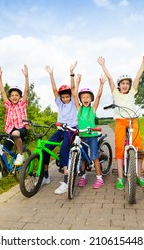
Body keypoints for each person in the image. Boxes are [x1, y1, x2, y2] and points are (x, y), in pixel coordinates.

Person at [98, 54, 144, 190]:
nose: (125, 85)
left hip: (133, 121)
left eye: (127, 83)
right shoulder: (115, 93)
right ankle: (120, 177)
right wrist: (103, 65)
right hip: (120, 122)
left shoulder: (132, 92)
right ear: (119, 86)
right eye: (122, 83)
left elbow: (137, 77)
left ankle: (139, 175)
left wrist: (143, 64)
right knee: (119, 147)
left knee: (139, 148)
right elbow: (109, 78)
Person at [43, 62, 79, 194]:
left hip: (71, 130)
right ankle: (45, 176)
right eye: (63, 97)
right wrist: (51, 75)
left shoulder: (74, 103)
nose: (65, 99)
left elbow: (73, 88)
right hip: (60, 129)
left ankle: (66, 180)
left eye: (67, 96)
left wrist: (71, 73)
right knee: (46, 149)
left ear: (70, 96)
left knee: (64, 149)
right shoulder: (60, 104)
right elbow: (54, 90)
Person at [73, 73, 107, 189]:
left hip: (92, 136)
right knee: (83, 158)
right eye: (83, 97)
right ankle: (83, 177)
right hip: (82, 137)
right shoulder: (79, 109)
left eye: (88, 97)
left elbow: (98, 97)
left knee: (94, 157)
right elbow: (74, 95)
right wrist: (77, 83)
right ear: (81, 99)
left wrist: (101, 84)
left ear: (91, 99)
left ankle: (99, 178)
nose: (85, 99)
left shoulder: (93, 109)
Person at [0, 64, 29, 166]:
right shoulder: (8, 105)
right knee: (3, 151)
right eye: (12, 95)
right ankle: (4, 170)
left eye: (16, 95)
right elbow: (2, 92)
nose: (14, 97)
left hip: (21, 128)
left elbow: (27, 90)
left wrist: (26, 77)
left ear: (20, 97)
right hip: (10, 129)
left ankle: (20, 155)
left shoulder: (22, 104)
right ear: (9, 97)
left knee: (15, 134)